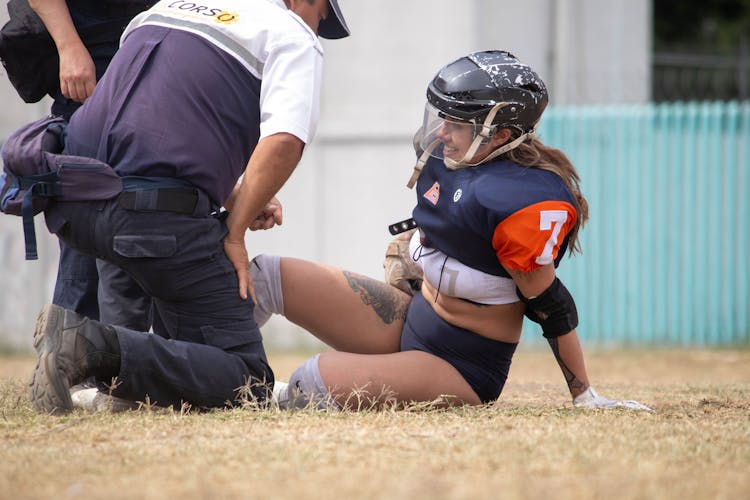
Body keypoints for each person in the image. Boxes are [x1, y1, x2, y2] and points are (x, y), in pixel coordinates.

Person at [247, 50, 652, 411]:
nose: (441, 133)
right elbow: (453, 229)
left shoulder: (519, 201)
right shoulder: (456, 162)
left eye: (455, 124)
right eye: (443, 119)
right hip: (411, 320)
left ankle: (225, 391)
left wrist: (584, 394)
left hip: (458, 367)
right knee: (265, 275)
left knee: (309, 382)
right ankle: (206, 358)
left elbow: (551, 305)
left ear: (502, 134)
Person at [28, 0, 351, 414]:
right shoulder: (290, 34)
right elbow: (285, 140)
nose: (316, 28)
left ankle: (111, 377)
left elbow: (149, 130)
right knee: (247, 381)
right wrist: (234, 232)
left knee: (161, 321)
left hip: (74, 201)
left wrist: (234, 196)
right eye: (321, 18)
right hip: (150, 220)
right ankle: (85, 347)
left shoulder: (164, 9)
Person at [26, 0, 154, 328]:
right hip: (92, 61)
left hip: (152, 57)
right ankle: (69, 354)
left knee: (144, 219)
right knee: (85, 218)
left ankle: (123, 360)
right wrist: (68, 46)